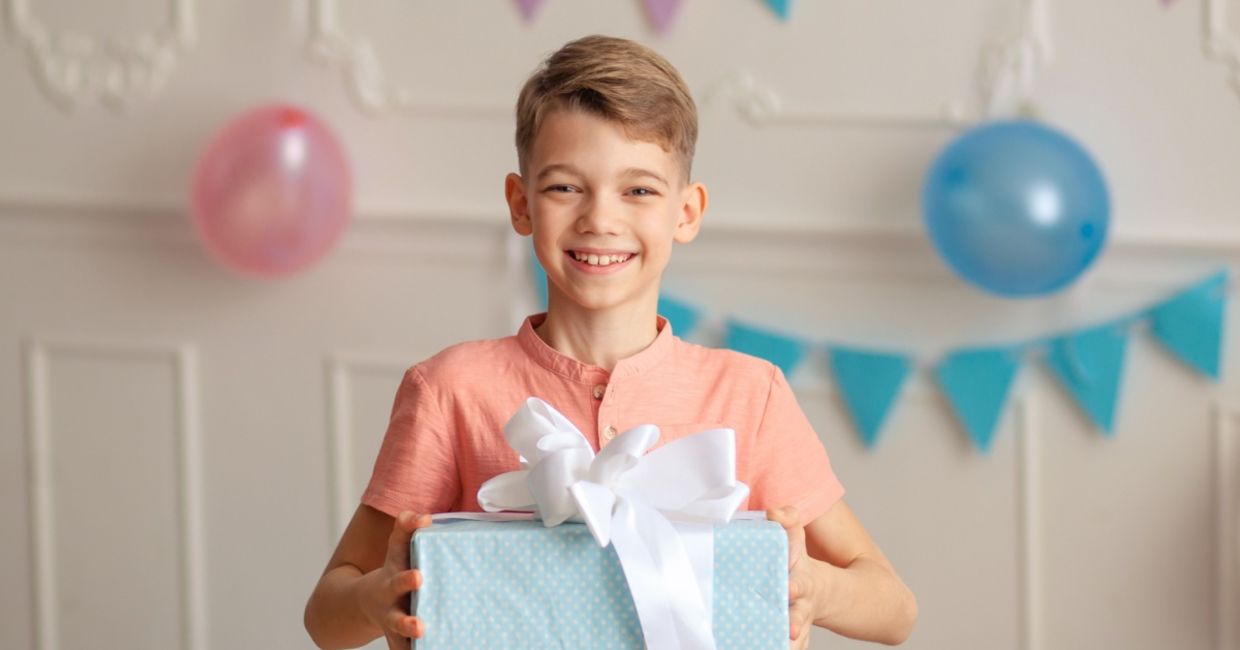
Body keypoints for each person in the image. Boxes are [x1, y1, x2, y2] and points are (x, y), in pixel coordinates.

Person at [304, 34, 917, 649]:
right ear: (520, 204)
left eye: (639, 190)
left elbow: (894, 611)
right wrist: (376, 600)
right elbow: (325, 616)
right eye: (564, 187)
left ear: (687, 212)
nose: (600, 218)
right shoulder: (450, 389)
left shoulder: (750, 395)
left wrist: (816, 590)